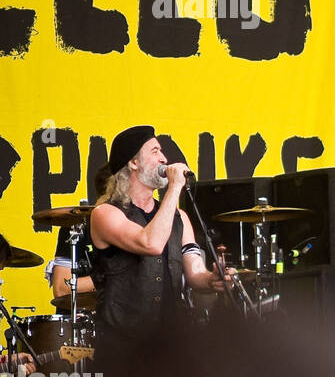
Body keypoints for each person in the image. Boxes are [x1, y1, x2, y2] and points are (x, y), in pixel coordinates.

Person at [88, 126, 231, 352]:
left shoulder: (179, 218)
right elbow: (151, 243)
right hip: (124, 346)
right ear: (133, 163)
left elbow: (194, 273)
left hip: (171, 341)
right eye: (155, 151)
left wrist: (211, 279)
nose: (164, 158)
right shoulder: (105, 214)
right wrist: (175, 187)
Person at [46, 164, 112, 305]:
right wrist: (111, 277)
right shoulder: (77, 226)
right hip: (84, 321)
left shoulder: (139, 229)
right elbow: (62, 289)